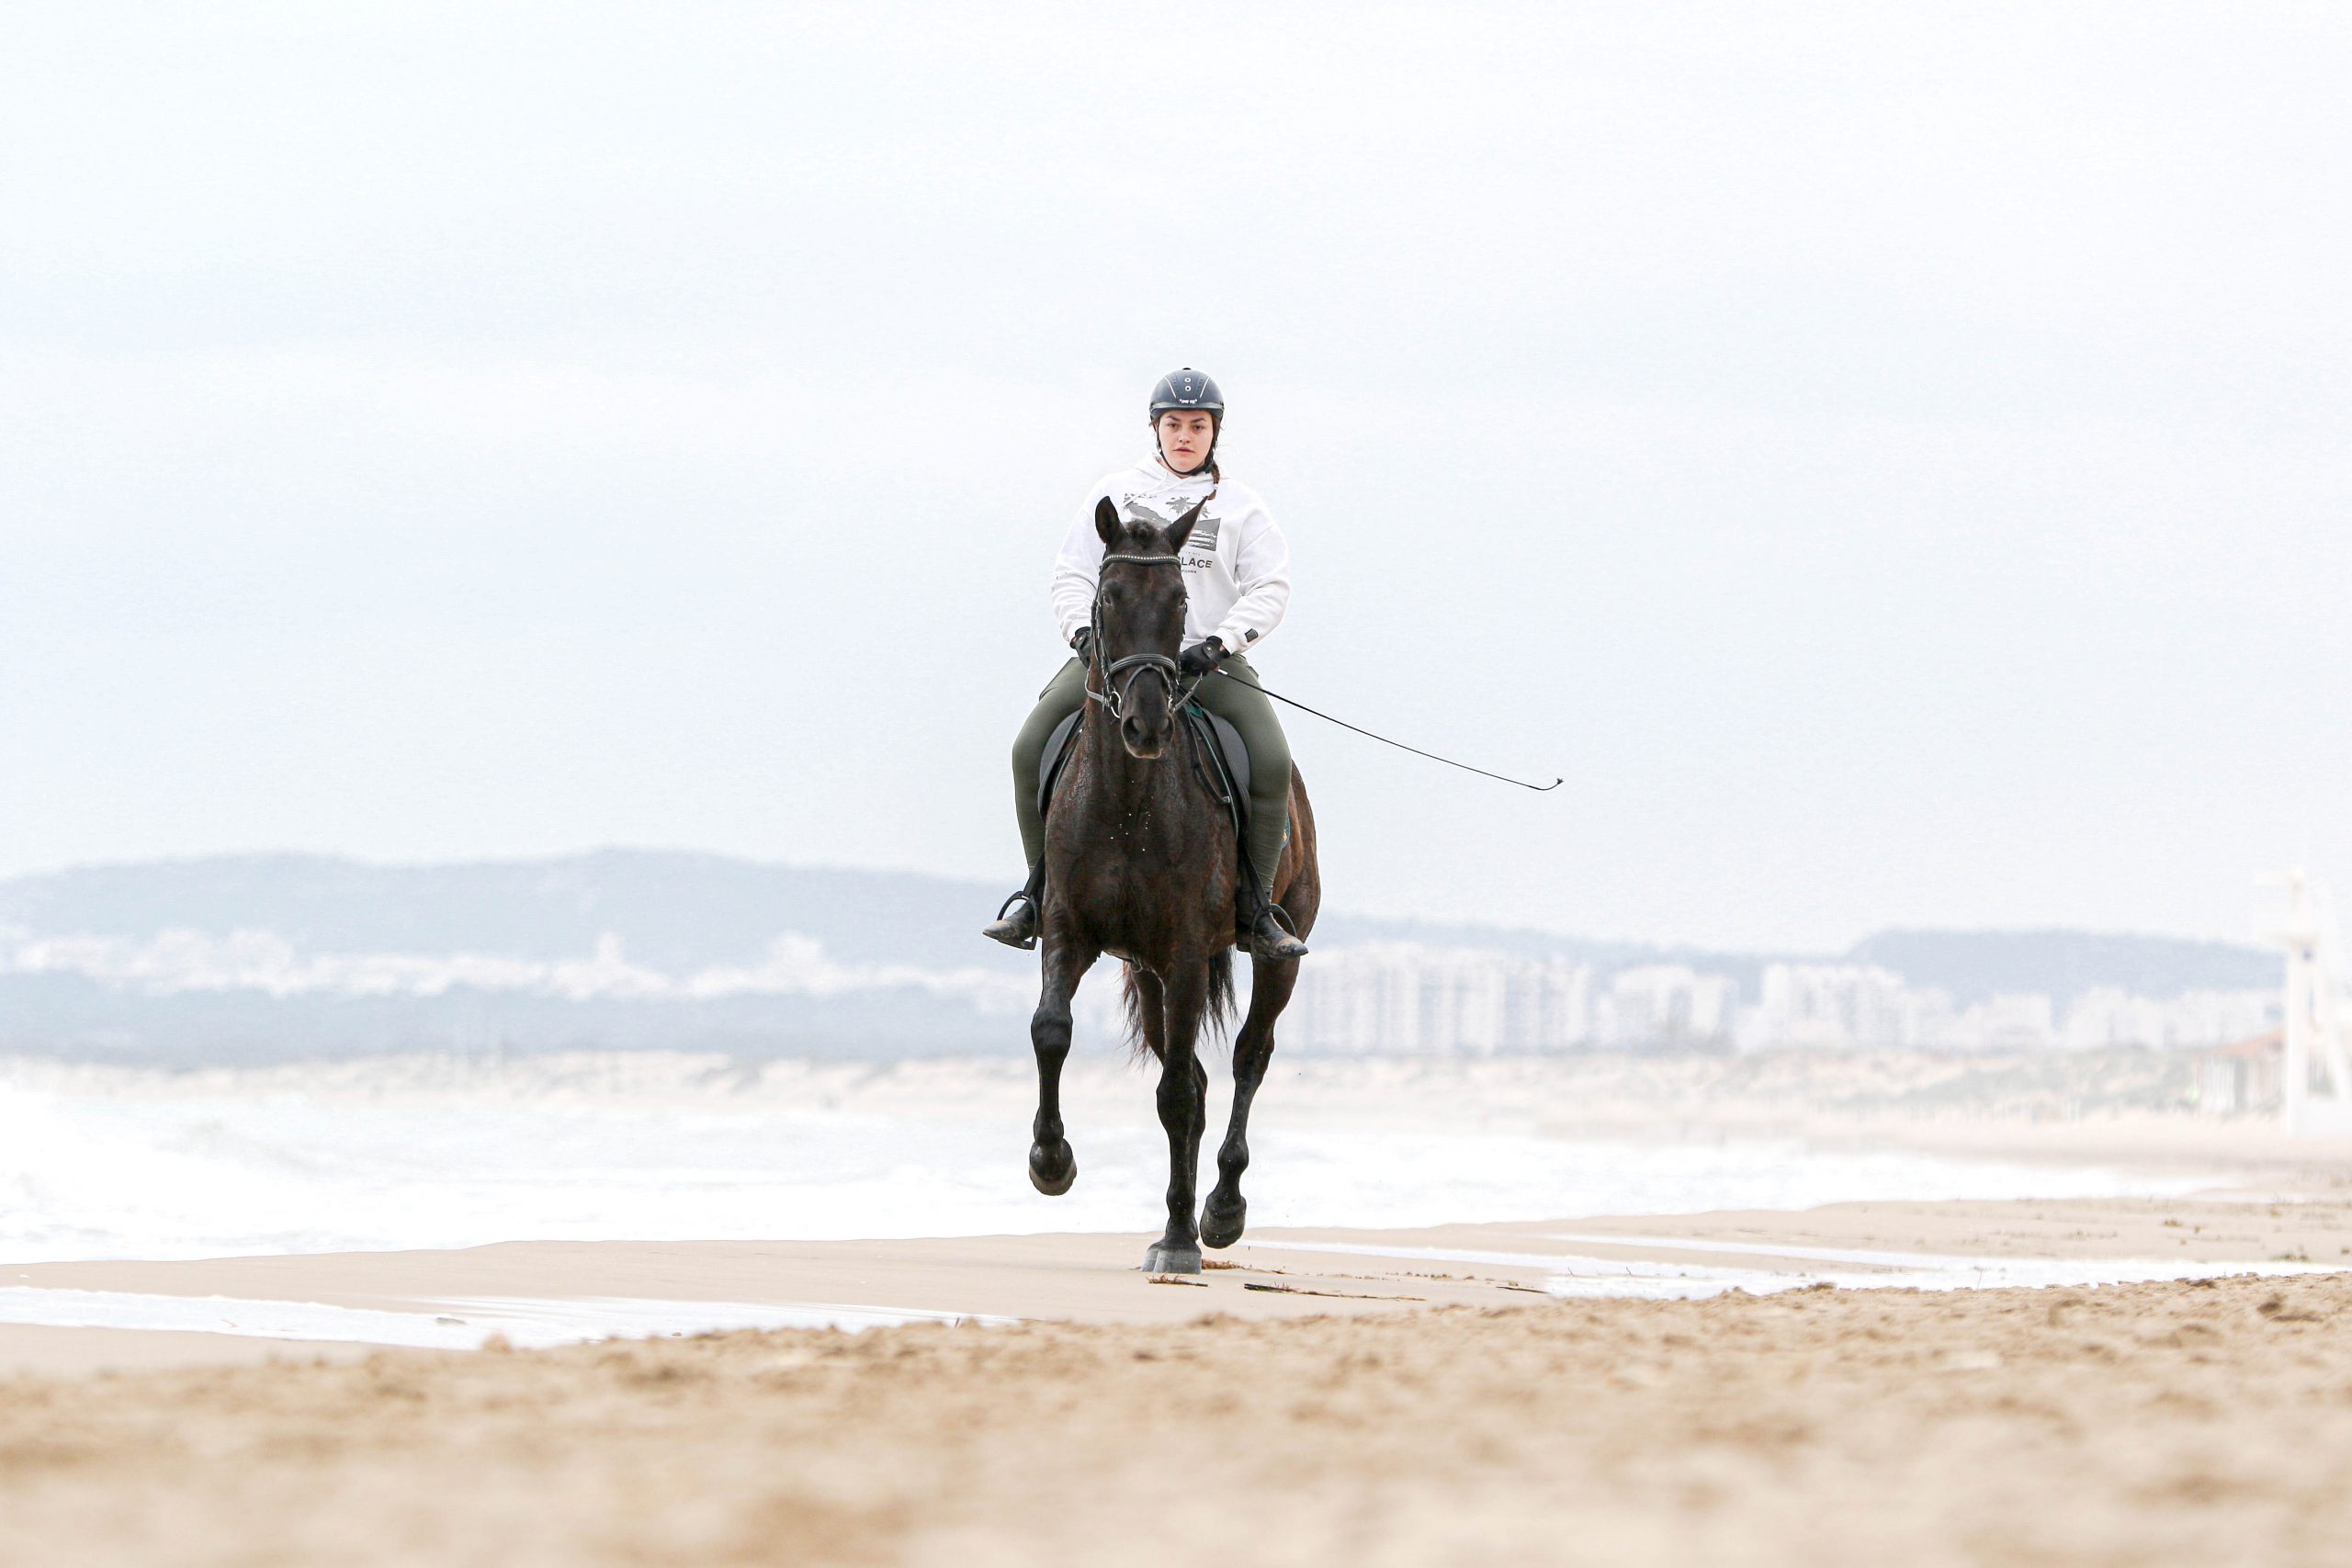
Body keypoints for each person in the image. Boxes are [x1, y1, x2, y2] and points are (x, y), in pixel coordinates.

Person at [983, 367, 1309, 961]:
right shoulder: (1114, 491)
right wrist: (1083, 636)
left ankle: (1258, 908)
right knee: (1028, 747)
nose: (1185, 436)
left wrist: (1220, 643)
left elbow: (1271, 586)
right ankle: (1038, 895)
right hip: (1118, 663)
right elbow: (1071, 573)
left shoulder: (1241, 506)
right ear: (1155, 427)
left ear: (1214, 432)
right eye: (1174, 424)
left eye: (1198, 426)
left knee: (1270, 759)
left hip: (1204, 664)